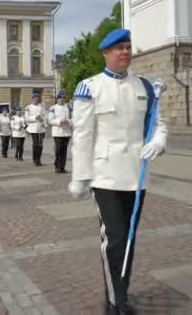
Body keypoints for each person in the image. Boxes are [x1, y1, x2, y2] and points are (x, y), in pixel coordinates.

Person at [69, 29, 168, 315]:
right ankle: (115, 303)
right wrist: (80, 177)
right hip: (105, 176)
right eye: (118, 48)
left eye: (127, 47)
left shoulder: (145, 87)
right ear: (106, 53)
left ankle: (121, 293)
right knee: (115, 238)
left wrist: (160, 141)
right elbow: (83, 136)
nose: (124, 52)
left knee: (129, 239)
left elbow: (157, 122)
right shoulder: (89, 87)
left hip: (136, 176)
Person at [49, 91, 73, 174]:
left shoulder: (68, 108)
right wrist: (59, 121)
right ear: (57, 98)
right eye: (61, 98)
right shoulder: (53, 108)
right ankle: (57, 166)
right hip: (57, 132)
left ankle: (62, 167)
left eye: (64, 98)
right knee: (58, 150)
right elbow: (50, 120)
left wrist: (68, 121)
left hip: (66, 132)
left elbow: (73, 119)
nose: (62, 99)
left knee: (64, 151)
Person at [25, 93, 48, 166]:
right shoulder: (28, 107)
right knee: (35, 144)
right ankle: (35, 158)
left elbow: (45, 116)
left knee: (40, 145)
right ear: (32, 99)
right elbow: (27, 118)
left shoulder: (41, 107)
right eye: (35, 98)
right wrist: (35, 117)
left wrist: (43, 120)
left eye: (38, 98)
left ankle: (38, 159)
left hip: (41, 128)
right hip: (33, 128)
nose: (37, 99)